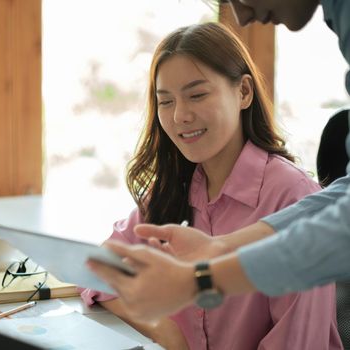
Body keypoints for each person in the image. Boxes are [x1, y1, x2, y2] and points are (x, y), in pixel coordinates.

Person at [87, 0, 350, 326]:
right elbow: (94, 269)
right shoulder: (176, 186)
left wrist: (200, 279)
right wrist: (168, 333)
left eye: (197, 95)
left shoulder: (288, 192)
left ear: (243, 92)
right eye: (165, 101)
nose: (180, 115)